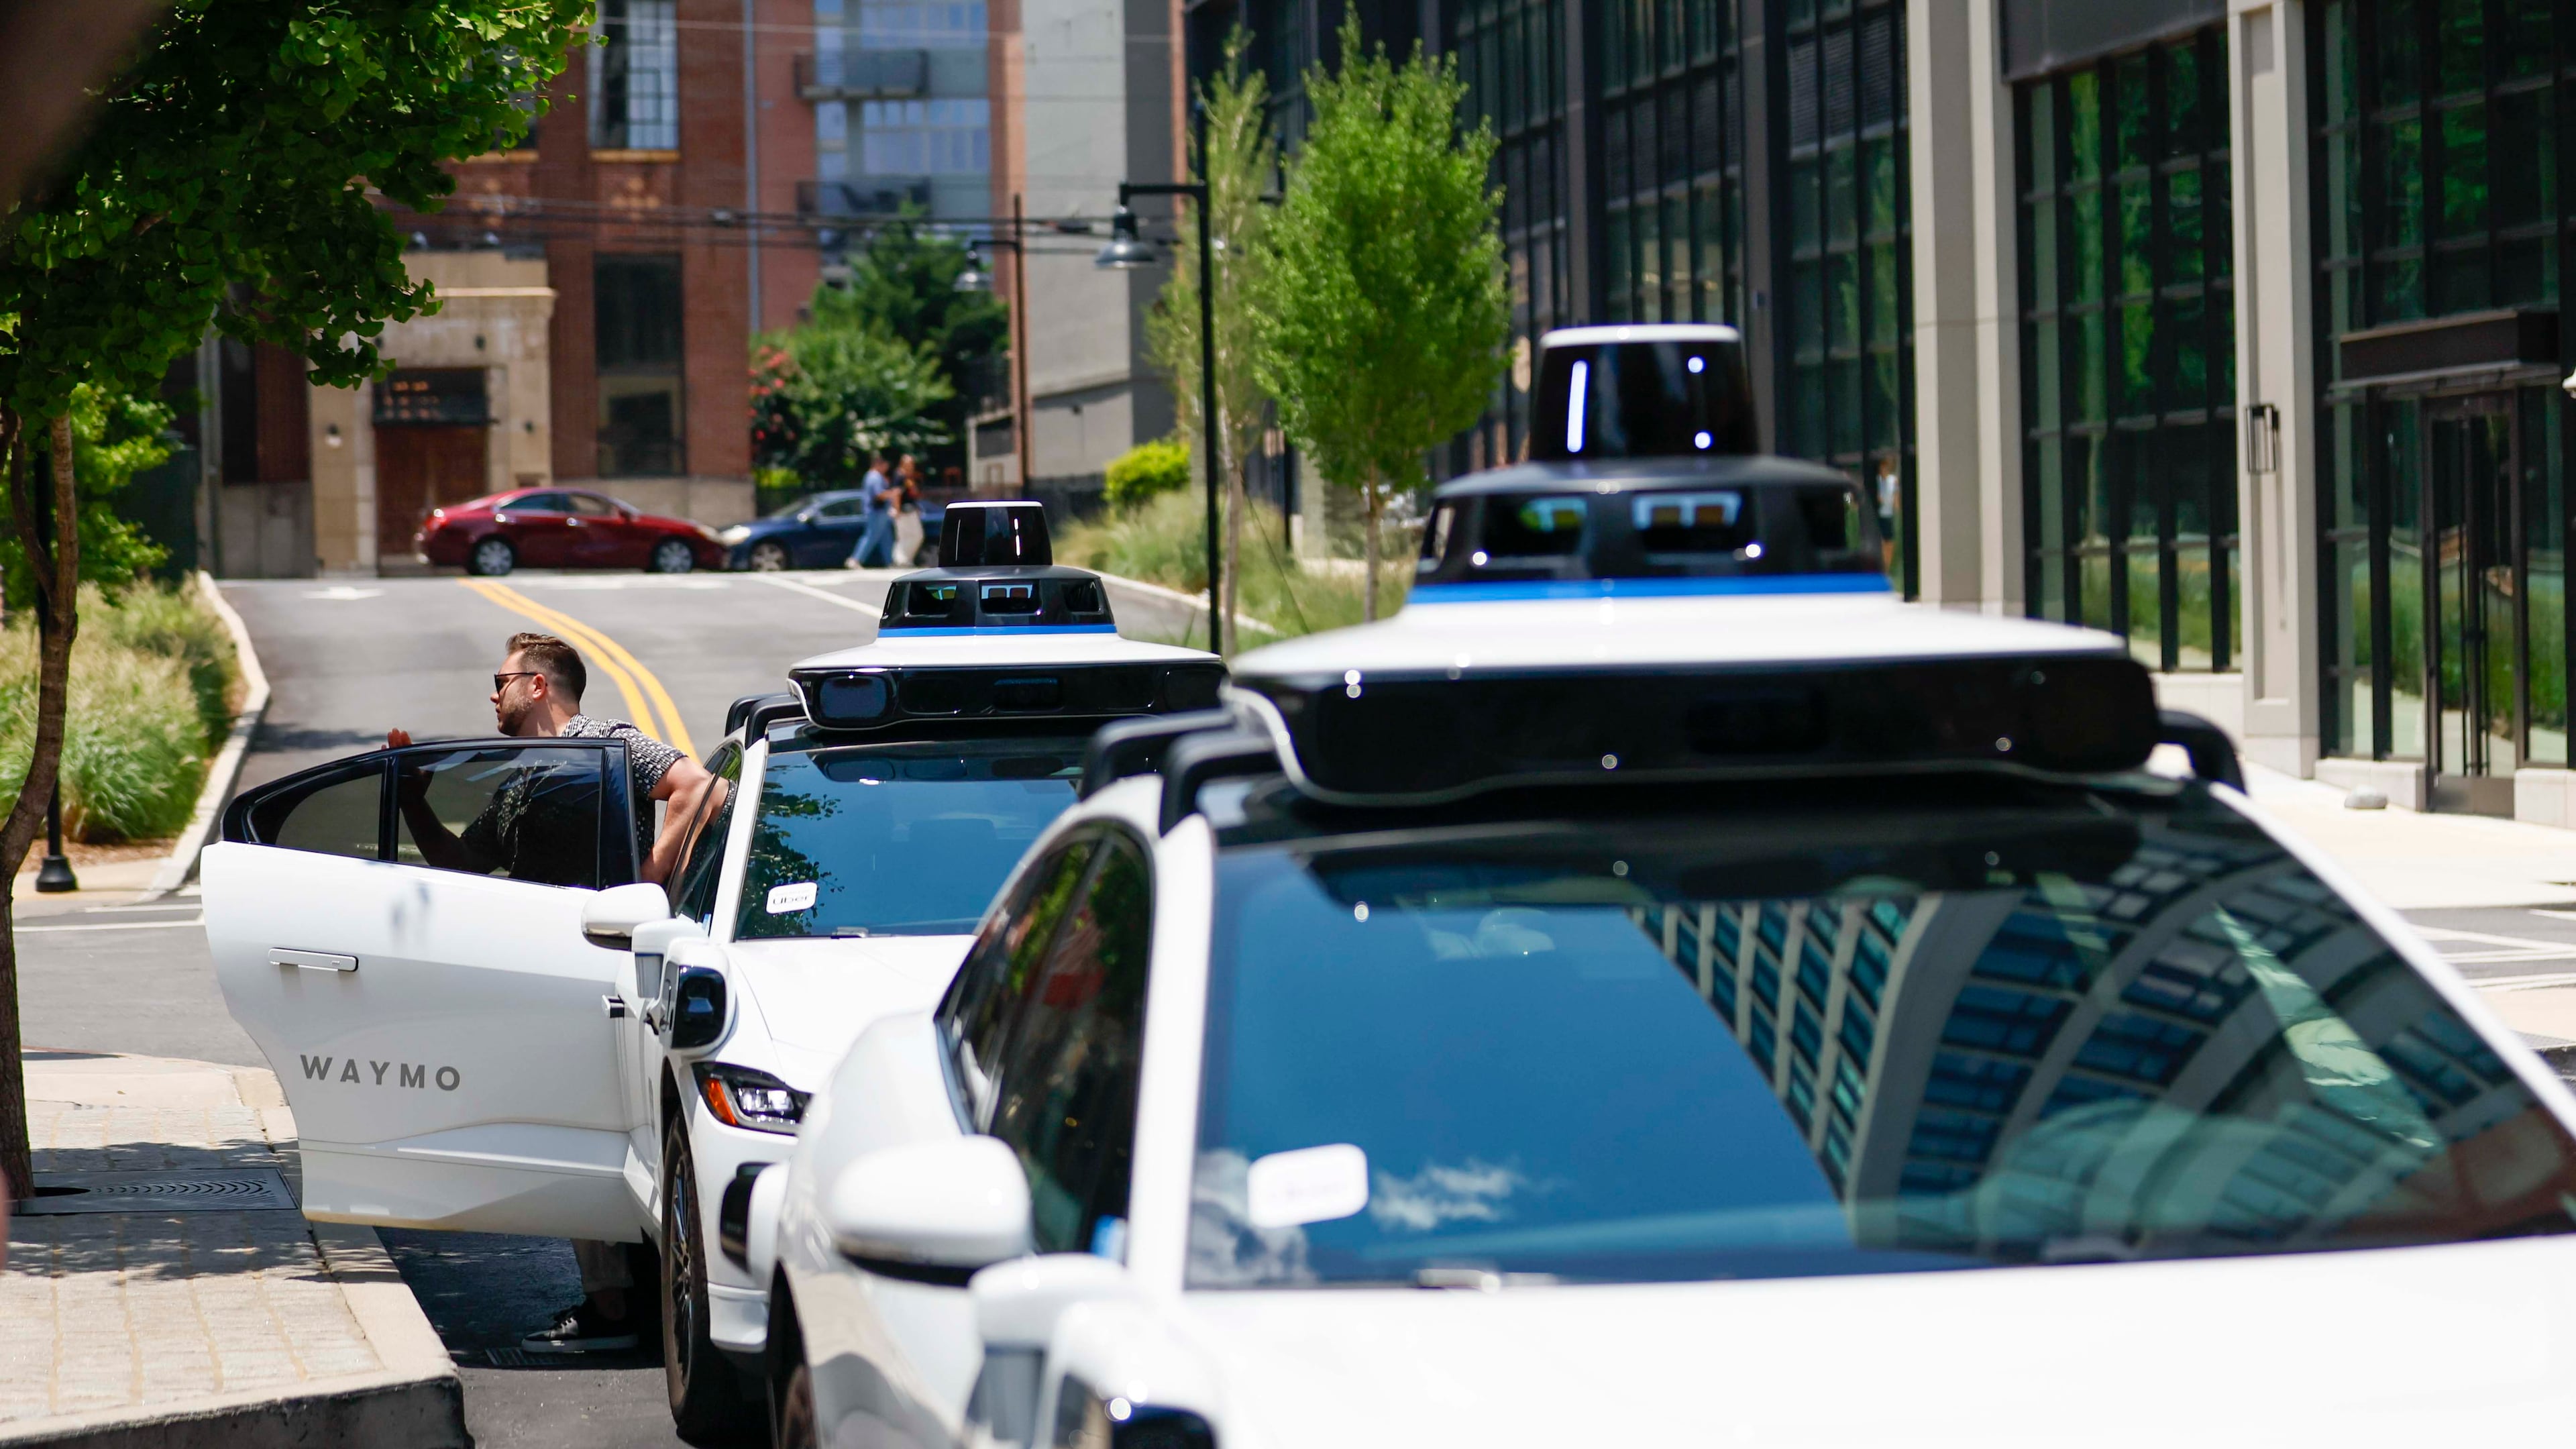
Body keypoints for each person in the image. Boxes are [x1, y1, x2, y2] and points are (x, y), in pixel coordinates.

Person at [388, 631, 720, 1354]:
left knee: (602, 1129)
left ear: (538, 686)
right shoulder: (520, 780)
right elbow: (462, 861)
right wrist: (413, 803)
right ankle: (620, 1300)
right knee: (576, 1133)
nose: (492, 693)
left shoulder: (608, 743)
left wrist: (651, 877)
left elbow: (701, 790)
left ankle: (618, 1306)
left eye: (501, 678)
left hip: (611, 967)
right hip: (551, 967)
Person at [845, 449, 898, 569]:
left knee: (886, 538)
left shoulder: (872, 476)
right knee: (871, 536)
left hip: (881, 511)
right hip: (876, 511)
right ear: (878, 464)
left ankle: (890, 561)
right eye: (884, 466)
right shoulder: (875, 477)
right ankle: (855, 559)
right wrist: (892, 494)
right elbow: (879, 494)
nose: (886, 469)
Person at [891, 452, 925, 566]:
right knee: (915, 535)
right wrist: (897, 510)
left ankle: (903, 559)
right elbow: (896, 493)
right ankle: (901, 559)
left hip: (910, 509)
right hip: (904, 511)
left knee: (908, 536)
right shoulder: (900, 476)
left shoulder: (908, 477)